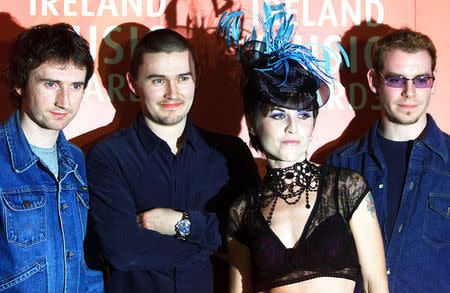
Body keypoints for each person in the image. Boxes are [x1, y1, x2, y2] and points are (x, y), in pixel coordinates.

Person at [218, 3, 389, 293]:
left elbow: (376, 284)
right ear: (252, 122)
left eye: (303, 114)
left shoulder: (346, 187)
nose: (292, 127)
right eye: (277, 114)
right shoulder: (242, 210)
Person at [86, 28, 259, 293]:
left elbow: (257, 237)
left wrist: (181, 224)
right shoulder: (108, 157)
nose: (172, 93)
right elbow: (123, 252)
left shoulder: (232, 154)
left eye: (182, 78)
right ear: (133, 84)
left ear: (196, 80)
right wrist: (219, 239)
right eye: (158, 80)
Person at [328, 28, 449, 292]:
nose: (409, 92)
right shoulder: (339, 165)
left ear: (433, 81)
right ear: (374, 81)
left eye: (421, 80)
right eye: (396, 80)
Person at [0, 23, 103, 292]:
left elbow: (88, 265)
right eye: (51, 83)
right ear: (20, 84)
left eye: (76, 86)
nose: (64, 101)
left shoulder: (78, 160)